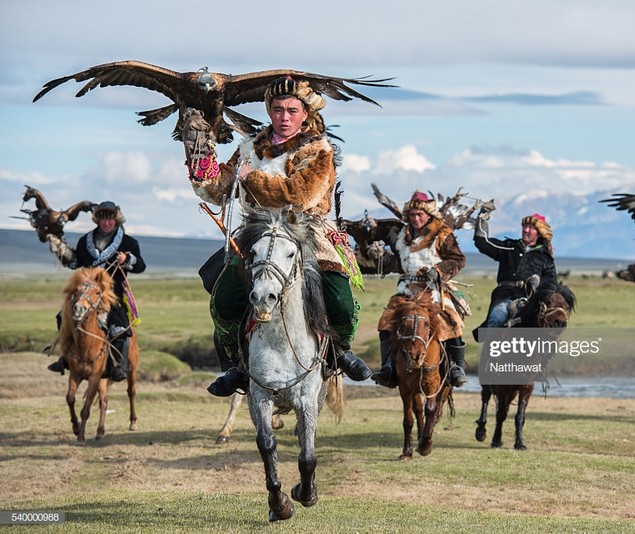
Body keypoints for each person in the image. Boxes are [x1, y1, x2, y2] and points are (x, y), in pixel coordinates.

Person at [183, 75, 371, 397]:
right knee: (225, 298)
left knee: (339, 298)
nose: (284, 117)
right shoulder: (248, 148)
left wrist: (252, 178)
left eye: (292, 110)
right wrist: (201, 163)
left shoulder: (318, 150)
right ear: (269, 110)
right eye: (278, 109)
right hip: (256, 231)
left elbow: (299, 196)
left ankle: (340, 351)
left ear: (305, 114)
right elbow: (218, 191)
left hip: (306, 231)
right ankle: (237, 366)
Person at [371, 191, 469, 388]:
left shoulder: (442, 234)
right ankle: (388, 367)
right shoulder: (402, 235)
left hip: (433, 290)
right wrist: (380, 256)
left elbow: (459, 260)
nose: (415, 218)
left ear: (428, 215)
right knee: (386, 322)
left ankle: (456, 368)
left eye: (419, 215)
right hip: (406, 290)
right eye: (413, 215)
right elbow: (398, 264)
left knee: (452, 320)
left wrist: (439, 270)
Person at [46, 201, 146, 381]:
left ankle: (117, 365)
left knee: (120, 328)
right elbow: (76, 263)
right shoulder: (85, 241)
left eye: (110, 219)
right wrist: (61, 250)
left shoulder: (128, 242)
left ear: (116, 220)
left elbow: (140, 266)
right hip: (86, 293)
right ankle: (65, 359)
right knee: (62, 317)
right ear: (97, 220)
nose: (107, 223)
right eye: (103, 219)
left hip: (112, 294)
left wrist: (127, 258)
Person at [471, 210, 558, 339]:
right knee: (497, 317)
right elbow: (483, 243)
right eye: (524, 226)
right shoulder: (509, 247)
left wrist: (537, 286)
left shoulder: (544, 257)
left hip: (530, 300)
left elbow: (551, 283)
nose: (526, 230)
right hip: (504, 296)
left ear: (539, 233)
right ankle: (490, 357)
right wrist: (482, 219)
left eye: (531, 228)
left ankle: (542, 358)